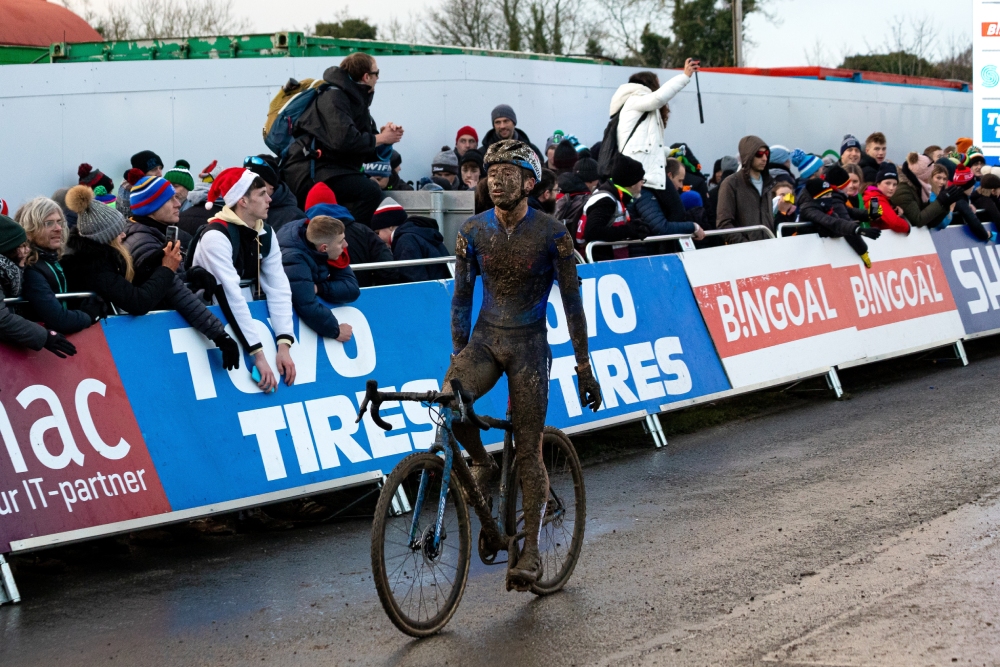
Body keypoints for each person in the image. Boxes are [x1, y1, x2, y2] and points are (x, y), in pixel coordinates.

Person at [448, 139, 601, 588]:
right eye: (490, 175)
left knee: (530, 447)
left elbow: (573, 305)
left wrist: (583, 366)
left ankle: (531, 552)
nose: (494, 181)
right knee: (451, 405)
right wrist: (458, 354)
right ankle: (484, 462)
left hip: (531, 345)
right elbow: (461, 299)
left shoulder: (553, 233)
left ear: (529, 183)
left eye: (505, 175)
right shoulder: (472, 231)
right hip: (485, 340)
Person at [190, 168, 297, 392]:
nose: (270, 199)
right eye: (262, 194)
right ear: (243, 201)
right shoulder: (215, 236)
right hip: (211, 320)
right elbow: (230, 296)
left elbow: (279, 288)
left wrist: (284, 343)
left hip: (242, 320)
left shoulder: (265, 232)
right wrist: (258, 354)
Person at [122, 175, 240, 369]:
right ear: (152, 206)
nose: (179, 204)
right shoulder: (144, 242)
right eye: (171, 199)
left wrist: (191, 273)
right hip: (154, 338)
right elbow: (176, 292)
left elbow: (171, 279)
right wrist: (220, 335)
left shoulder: (153, 233)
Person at [281, 52, 403, 225]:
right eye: (377, 73)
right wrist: (380, 138)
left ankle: (343, 240)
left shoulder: (356, 100)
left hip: (331, 170)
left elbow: (366, 151)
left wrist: (385, 139)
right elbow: (344, 141)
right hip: (311, 171)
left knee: (366, 193)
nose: (378, 78)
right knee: (371, 193)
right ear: (366, 76)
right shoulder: (334, 96)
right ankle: (349, 240)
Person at [62, 185, 181, 316]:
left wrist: (157, 258)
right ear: (106, 237)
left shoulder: (93, 258)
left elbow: (128, 286)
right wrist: (167, 269)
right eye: (119, 232)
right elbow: (139, 302)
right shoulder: (94, 267)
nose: (124, 235)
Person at [609, 58, 699, 227]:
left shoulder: (636, 106)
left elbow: (645, 144)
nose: (659, 87)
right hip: (645, 173)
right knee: (676, 212)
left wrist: (668, 152)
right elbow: (658, 98)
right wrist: (685, 76)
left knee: (661, 218)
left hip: (644, 171)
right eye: (657, 84)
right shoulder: (636, 98)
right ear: (648, 84)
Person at [16, 197, 105, 334]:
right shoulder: (31, 269)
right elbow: (59, 320)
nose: (58, 229)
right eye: (49, 223)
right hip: (41, 350)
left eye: (59, 222)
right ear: (29, 231)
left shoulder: (53, 259)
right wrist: (89, 315)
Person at [0, 214, 76, 357]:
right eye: (21, 246)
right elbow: (2, 319)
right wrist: (45, 337)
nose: (27, 250)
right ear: (8, 251)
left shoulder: (10, 273)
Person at [278, 214, 358, 341]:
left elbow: (352, 289)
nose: (346, 245)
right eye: (341, 242)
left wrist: (320, 288)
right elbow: (307, 306)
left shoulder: (325, 242)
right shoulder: (294, 260)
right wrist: (336, 331)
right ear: (324, 248)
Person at [303, 182, 395, 287]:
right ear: (335, 204)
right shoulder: (363, 231)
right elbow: (387, 267)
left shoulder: (303, 234)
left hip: (321, 297)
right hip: (364, 295)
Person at [797, 167, 880, 267]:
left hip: (823, 253)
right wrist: (861, 245)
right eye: (848, 183)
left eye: (855, 181)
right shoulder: (810, 208)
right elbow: (834, 222)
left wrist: (870, 214)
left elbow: (849, 211)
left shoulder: (829, 200)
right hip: (809, 255)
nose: (851, 186)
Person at [577, 154, 651, 259]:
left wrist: (636, 226)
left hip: (610, 262)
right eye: (641, 180)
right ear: (632, 182)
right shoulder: (606, 200)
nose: (642, 184)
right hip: (601, 263)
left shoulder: (615, 196)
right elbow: (592, 232)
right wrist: (628, 230)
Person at [716, 136, 775, 242]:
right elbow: (723, 223)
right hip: (744, 252)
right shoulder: (731, 183)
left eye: (766, 154)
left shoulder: (768, 183)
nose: (764, 158)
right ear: (748, 155)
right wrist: (745, 244)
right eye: (759, 154)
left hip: (769, 249)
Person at [245, 155, 306, 231]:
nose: (249, 186)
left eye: (257, 182)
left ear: (271, 184)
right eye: (246, 181)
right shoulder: (239, 210)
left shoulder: (294, 218)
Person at [891, 152, 951, 229]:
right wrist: (940, 202)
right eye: (929, 174)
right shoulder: (903, 191)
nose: (930, 178)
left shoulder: (919, 189)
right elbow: (918, 220)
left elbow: (930, 222)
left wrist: (945, 204)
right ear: (922, 175)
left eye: (944, 179)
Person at [862, 163, 910, 235]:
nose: (891, 188)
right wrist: (907, 227)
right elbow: (893, 223)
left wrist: (893, 212)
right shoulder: (874, 199)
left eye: (894, 184)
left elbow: (878, 221)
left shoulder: (875, 196)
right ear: (878, 183)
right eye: (887, 183)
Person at [929, 164, 954, 229]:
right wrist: (950, 210)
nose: (942, 182)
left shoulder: (941, 195)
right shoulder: (930, 197)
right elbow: (942, 223)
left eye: (944, 179)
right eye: (938, 178)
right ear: (930, 178)